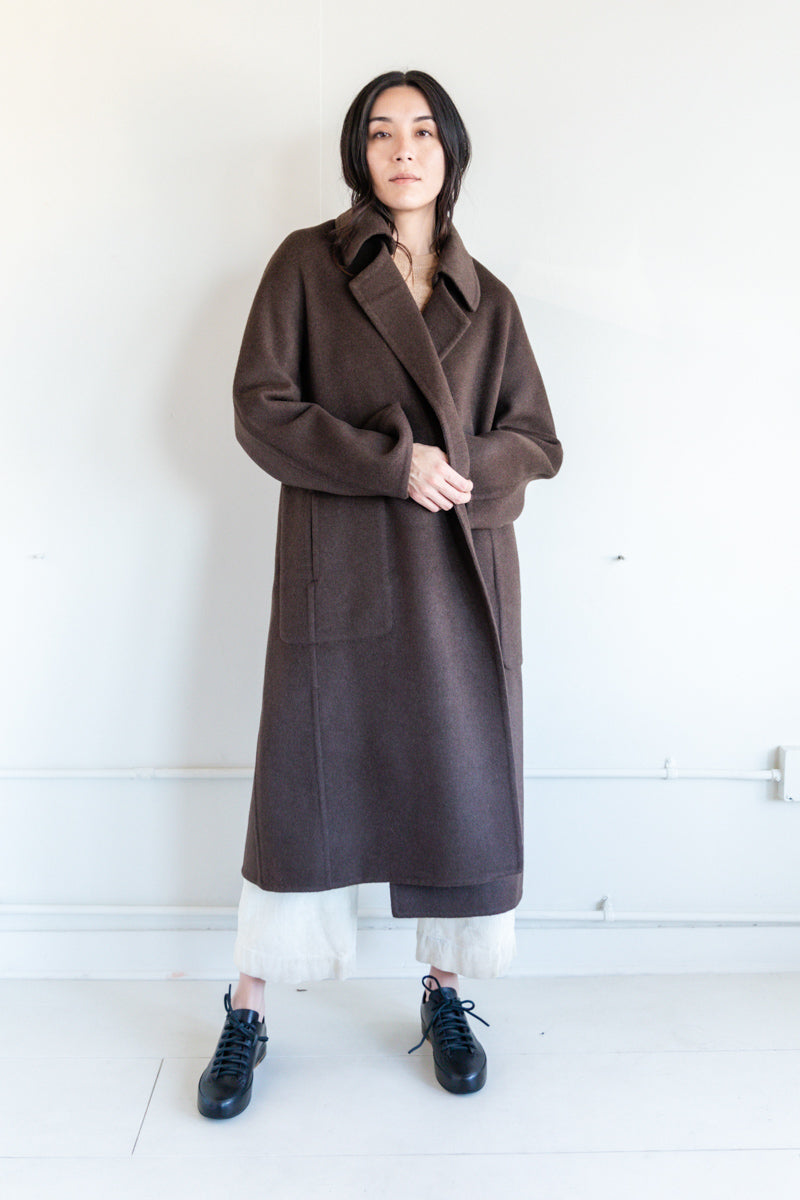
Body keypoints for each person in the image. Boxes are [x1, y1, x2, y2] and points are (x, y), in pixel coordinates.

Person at [197, 69, 562, 1119]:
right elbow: (260, 407)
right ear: (359, 154)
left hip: (457, 577)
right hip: (345, 564)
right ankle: (248, 1003)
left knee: (456, 786)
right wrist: (392, 464)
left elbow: (538, 440)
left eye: (423, 132)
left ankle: (443, 992)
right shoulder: (307, 265)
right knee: (300, 795)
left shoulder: (488, 299)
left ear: (450, 153)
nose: (403, 149)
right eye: (380, 132)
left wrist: (460, 471)